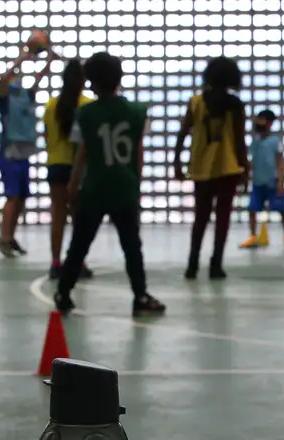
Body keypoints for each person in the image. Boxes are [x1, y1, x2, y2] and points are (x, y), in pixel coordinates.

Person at [55, 52, 165, 317]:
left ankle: (63, 292)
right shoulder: (137, 113)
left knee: (79, 244)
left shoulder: (85, 114)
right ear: (119, 78)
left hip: (94, 189)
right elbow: (138, 152)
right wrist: (135, 183)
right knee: (132, 247)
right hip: (124, 188)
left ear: (91, 81)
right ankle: (140, 296)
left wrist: (72, 187)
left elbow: (82, 153)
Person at [173, 57, 250, 280]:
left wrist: (176, 161)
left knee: (201, 217)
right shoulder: (235, 106)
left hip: (201, 167)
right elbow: (239, 141)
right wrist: (245, 168)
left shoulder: (196, 102)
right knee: (223, 218)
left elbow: (183, 133)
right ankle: (216, 264)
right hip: (227, 167)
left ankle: (192, 263)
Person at [0, 34, 55, 258]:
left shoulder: (26, 96)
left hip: (24, 152)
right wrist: (21, 59)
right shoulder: (6, 100)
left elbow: (40, 77)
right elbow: (3, 79)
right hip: (10, 151)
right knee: (12, 196)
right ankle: (3, 238)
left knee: (21, 196)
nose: (16, 79)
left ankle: (10, 237)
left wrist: (49, 59)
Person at [42, 58, 92, 280]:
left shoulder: (51, 105)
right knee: (79, 219)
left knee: (58, 217)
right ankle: (78, 263)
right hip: (77, 169)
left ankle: (55, 263)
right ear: (83, 80)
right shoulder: (87, 105)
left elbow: (46, 136)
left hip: (55, 166)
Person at [240, 109, 284, 250]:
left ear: (269, 123)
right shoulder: (255, 142)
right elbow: (250, 161)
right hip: (258, 182)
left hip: (273, 182)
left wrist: (281, 181)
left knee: (282, 210)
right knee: (252, 209)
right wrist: (246, 179)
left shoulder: (275, 141)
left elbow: (280, 161)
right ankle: (252, 236)